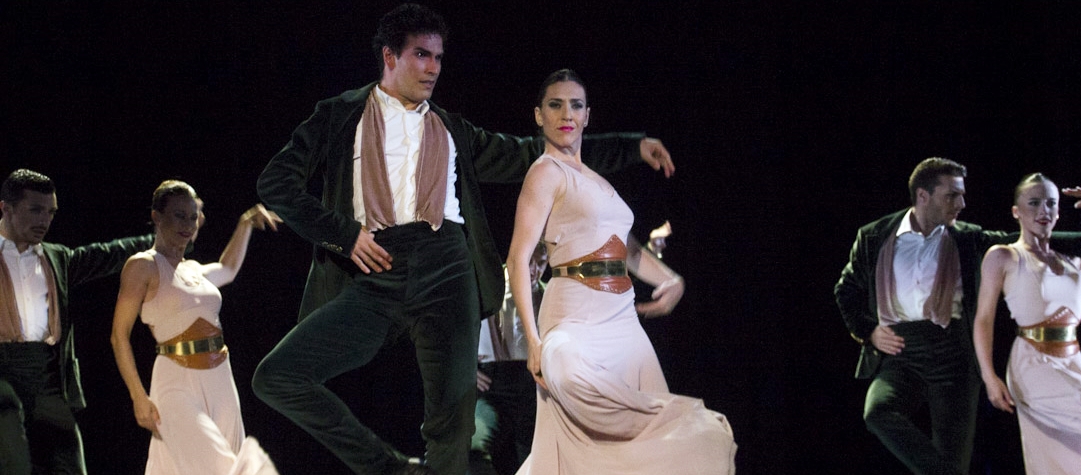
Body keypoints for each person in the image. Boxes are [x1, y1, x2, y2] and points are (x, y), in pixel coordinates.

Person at [250, 5, 676, 475]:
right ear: (389, 56)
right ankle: (391, 469)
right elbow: (276, 183)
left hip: (446, 267)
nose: (434, 67)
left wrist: (631, 146)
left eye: (438, 56)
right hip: (376, 267)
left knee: (453, 424)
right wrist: (344, 235)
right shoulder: (339, 115)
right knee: (278, 377)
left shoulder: (453, 129)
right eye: (421, 54)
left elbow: (539, 149)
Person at [506, 68, 735, 475]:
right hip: (573, 314)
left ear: (588, 115)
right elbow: (518, 258)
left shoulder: (595, 179)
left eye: (576, 105)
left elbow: (625, 251)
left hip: (623, 321)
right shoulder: (546, 172)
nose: (566, 113)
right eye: (555, 104)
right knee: (581, 390)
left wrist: (670, 279)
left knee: (660, 443)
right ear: (539, 115)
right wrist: (534, 342)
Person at [833, 158, 1081, 475]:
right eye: (952, 195)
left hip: (953, 351)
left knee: (954, 457)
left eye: (962, 195)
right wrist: (868, 331)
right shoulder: (875, 236)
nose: (962, 204)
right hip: (901, 348)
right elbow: (846, 290)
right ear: (923, 196)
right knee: (877, 413)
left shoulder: (969, 238)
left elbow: (1047, 243)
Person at [110, 180, 281, 474]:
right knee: (217, 465)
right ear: (156, 216)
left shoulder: (195, 270)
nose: (187, 224)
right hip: (175, 378)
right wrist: (139, 396)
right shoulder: (143, 266)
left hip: (220, 377)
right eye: (179, 215)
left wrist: (245, 224)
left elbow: (227, 268)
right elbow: (118, 336)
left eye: (192, 217)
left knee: (226, 455)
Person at [0, 169, 154, 475]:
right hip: (2, 376)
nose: (44, 220)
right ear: (6, 207)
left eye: (50, 212)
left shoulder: (57, 258)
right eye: (35, 210)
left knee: (68, 467)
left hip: (48, 378)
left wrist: (164, 238)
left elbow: (109, 254)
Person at [972, 175, 1081, 474]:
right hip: (1033, 364)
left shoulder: (1071, 260)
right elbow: (983, 319)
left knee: (1073, 458)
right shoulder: (1004, 256)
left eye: (1050, 203)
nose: (1043, 211)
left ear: (1059, 212)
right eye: (1033, 203)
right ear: (1016, 211)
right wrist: (989, 376)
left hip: (1074, 362)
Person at [469, 242, 548, 475]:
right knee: (469, 446)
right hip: (492, 385)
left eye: (541, 263)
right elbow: (446, 329)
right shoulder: (486, 285)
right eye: (529, 261)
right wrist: (466, 368)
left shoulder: (549, 294)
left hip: (535, 392)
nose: (534, 270)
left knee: (538, 460)